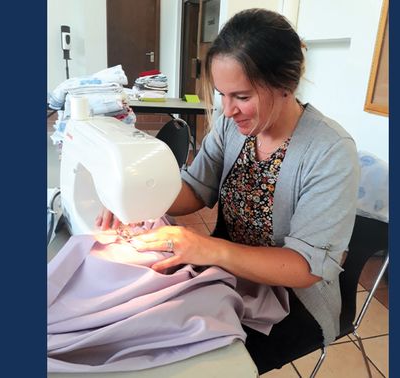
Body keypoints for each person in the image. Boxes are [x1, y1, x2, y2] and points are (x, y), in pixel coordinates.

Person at [96, 8, 359, 374]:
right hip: (227, 271)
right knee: (137, 324)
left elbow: (305, 268)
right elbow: (194, 188)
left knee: (191, 363)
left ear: (287, 84)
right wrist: (135, 199)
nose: (228, 110)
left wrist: (207, 248)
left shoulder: (330, 152)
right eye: (222, 94)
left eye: (242, 96)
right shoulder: (231, 127)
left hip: (293, 300)